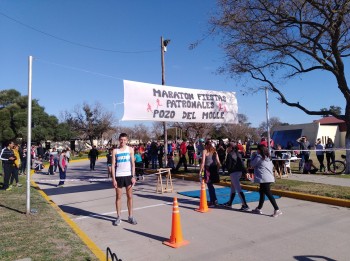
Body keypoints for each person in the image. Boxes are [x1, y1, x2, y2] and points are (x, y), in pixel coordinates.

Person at [111, 133, 137, 226]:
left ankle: (130, 216)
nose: (123, 141)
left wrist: (133, 176)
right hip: (119, 176)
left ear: (127, 140)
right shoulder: (115, 151)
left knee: (130, 196)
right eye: (121, 140)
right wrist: (114, 179)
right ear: (119, 140)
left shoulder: (130, 149)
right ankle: (118, 217)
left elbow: (133, 164)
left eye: (124, 140)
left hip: (128, 176)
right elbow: (113, 166)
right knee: (118, 197)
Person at [250, 144, 282, 217]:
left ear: (259, 150)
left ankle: (277, 209)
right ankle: (258, 208)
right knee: (262, 192)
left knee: (268, 193)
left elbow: (252, 164)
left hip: (264, 178)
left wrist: (253, 156)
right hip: (268, 177)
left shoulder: (259, 157)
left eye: (257, 149)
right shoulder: (268, 157)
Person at [223, 142, 250, 211]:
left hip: (233, 172)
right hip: (239, 172)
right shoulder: (238, 154)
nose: (227, 149)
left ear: (231, 147)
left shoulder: (230, 154)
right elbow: (242, 164)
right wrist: (245, 171)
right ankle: (230, 203)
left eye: (228, 147)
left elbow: (228, 166)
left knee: (238, 189)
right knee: (233, 188)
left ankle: (245, 205)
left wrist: (224, 165)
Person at [199, 141, 221, 207]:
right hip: (213, 169)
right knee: (211, 185)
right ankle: (214, 200)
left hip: (208, 169)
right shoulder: (215, 152)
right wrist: (217, 169)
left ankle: (213, 201)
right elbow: (218, 162)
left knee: (209, 185)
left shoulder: (205, 151)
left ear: (206, 145)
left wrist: (200, 171)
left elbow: (203, 162)